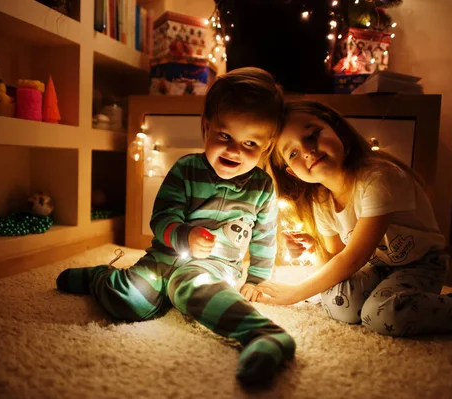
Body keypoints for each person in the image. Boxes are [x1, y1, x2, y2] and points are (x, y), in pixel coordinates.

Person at [56, 67, 295, 385]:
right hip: (165, 258)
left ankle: (264, 334)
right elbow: (161, 219)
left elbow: (264, 237)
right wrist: (185, 235)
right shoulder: (186, 169)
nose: (234, 150)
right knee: (131, 302)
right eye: (225, 136)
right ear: (207, 126)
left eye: (250, 144)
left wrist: (258, 279)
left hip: (213, 267)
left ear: (265, 147)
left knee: (194, 284)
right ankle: (101, 277)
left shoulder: (262, 187)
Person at [256, 100, 452, 337]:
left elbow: (354, 259)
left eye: (313, 134)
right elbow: (339, 259)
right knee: (340, 304)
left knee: (384, 315)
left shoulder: (378, 177)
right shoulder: (321, 199)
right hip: (378, 266)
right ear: (291, 172)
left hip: (421, 263)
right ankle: (387, 295)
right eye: (292, 152)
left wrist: (294, 294)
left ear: (337, 129)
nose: (307, 150)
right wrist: (314, 250)